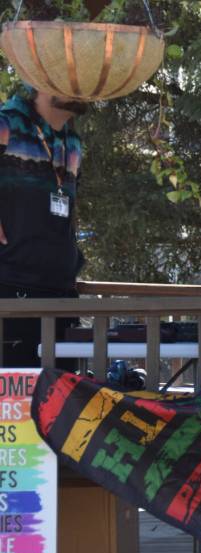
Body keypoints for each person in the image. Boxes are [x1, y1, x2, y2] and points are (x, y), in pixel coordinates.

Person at [0, 86, 87, 367]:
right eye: (70, 80)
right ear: (42, 82)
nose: (81, 88)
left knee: (63, 404)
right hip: (12, 293)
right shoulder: (7, 122)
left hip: (61, 293)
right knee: (17, 406)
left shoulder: (72, 142)